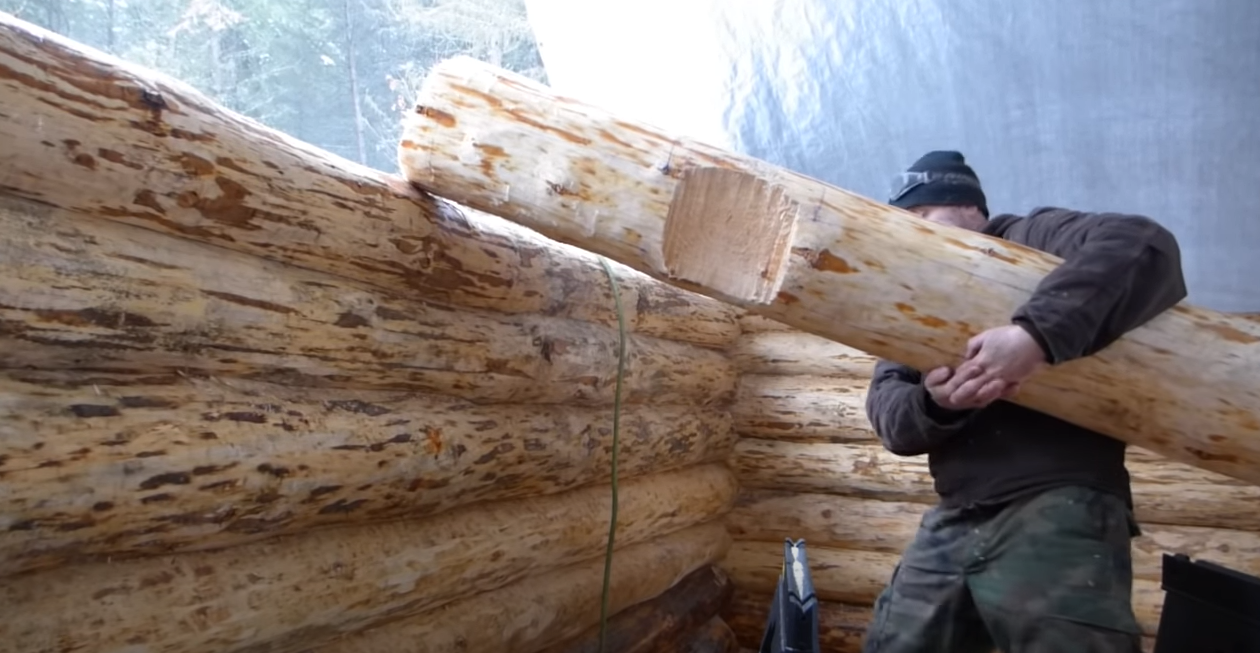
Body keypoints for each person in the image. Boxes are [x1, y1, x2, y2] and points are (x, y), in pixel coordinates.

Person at [860, 151, 1188, 653]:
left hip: (1059, 496)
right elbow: (889, 414)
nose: (914, 233)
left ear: (970, 208)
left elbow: (1142, 244)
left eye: (924, 216)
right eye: (904, 224)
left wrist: (1033, 338)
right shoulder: (911, 289)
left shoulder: (1031, 235)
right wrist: (936, 403)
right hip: (956, 511)